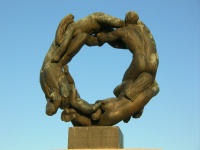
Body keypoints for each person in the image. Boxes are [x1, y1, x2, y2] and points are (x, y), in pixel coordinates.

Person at [62, 11, 160, 126]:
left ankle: (133, 103)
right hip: (154, 62)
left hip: (139, 61)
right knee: (147, 83)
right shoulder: (146, 31)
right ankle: (136, 107)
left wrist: (99, 35)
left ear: (126, 21)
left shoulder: (124, 31)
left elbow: (107, 38)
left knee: (127, 82)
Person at [40, 14, 102, 117]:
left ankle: (68, 26)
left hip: (52, 66)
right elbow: (72, 84)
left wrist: (51, 94)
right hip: (58, 66)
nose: (54, 103)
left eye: (51, 105)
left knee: (62, 47)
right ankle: (97, 39)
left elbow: (42, 75)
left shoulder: (50, 92)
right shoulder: (70, 100)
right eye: (54, 107)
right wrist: (96, 106)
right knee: (81, 38)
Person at [51, 12, 125, 67]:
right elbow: (87, 41)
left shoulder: (71, 27)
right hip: (99, 29)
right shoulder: (78, 34)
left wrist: (58, 56)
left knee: (119, 23)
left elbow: (65, 43)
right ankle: (129, 45)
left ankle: (134, 24)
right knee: (114, 43)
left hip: (96, 18)